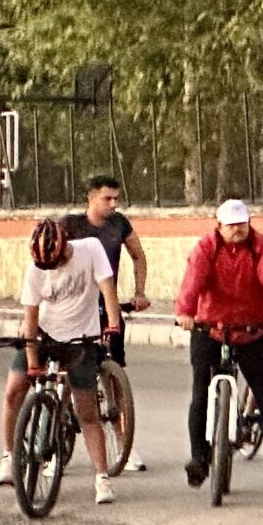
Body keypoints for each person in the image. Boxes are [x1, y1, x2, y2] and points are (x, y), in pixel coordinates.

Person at [0, 218, 122, 503]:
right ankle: (9, 455)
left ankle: (101, 478)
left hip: (80, 341)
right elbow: (29, 319)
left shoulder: (90, 249)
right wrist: (32, 362)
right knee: (13, 390)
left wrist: (112, 324)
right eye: (46, 266)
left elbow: (107, 286)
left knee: (87, 412)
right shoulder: (36, 270)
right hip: (43, 335)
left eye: (55, 262)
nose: (51, 269)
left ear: (65, 244)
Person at [176, 199, 263, 494]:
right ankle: (199, 458)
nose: (237, 229)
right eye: (230, 225)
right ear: (219, 226)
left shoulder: (262, 246)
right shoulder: (206, 248)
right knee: (199, 390)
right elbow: (193, 281)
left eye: (241, 223)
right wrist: (185, 312)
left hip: (251, 329)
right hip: (210, 327)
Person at [65, 176, 150, 464]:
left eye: (116, 198)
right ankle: (53, 437)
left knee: (115, 374)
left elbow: (138, 255)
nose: (114, 204)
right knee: (68, 371)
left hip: (107, 305)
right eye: (107, 198)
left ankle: (124, 443)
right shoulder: (72, 226)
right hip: (75, 306)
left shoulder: (120, 225)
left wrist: (139, 293)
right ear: (91, 197)